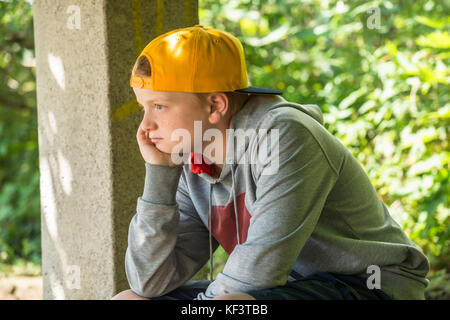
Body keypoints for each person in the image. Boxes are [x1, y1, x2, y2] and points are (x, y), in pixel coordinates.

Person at [111, 25, 429, 300]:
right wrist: (159, 174)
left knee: (233, 304)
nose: (145, 127)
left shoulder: (286, 136)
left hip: (369, 286)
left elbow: (254, 276)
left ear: (215, 105)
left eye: (160, 107)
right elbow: (149, 281)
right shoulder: (193, 157)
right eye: (144, 108)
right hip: (285, 288)